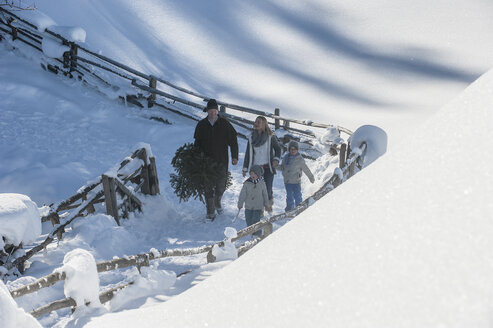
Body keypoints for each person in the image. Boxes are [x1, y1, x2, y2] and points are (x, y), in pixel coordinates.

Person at [194, 98, 239, 220]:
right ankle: (210, 212)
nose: (213, 113)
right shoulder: (201, 125)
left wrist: (235, 156)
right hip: (206, 162)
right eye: (210, 111)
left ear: (217, 111)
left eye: (215, 110)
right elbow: (197, 143)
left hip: (221, 161)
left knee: (221, 185)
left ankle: (217, 200)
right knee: (207, 186)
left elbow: (233, 141)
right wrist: (196, 158)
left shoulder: (224, 124)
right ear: (207, 111)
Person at [242, 116, 282, 210]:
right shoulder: (251, 137)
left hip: (268, 167)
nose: (255, 123)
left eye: (258, 122)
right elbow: (248, 154)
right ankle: (260, 209)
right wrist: (245, 168)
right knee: (258, 190)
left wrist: (276, 159)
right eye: (255, 121)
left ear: (264, 124)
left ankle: (269, 200)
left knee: (267, 189)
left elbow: (278, 148)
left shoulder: (270, 137)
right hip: (256, 169)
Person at [277, 140, 315, 212]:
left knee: (298, 196)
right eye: (291, 149)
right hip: (288, 182)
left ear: (297, 150)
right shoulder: (285, 158)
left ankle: (299, 209)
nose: (293, 150)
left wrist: (311, 177)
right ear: (289, 150)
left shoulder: (300, 159)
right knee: (289, 197)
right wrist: (275, 166)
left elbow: (306, 169)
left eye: (295, 149)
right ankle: (289, 210)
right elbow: (282, 167)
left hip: (296, 182)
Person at [237, 165, 270, 237]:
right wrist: (240, 204)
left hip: (258, 207)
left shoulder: (262, 183)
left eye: (254, 174)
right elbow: (242, 194)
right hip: (248, 206)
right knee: (248, 221)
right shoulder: (246, 183)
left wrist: (267, 204)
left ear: (258, 174)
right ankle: (252, 234)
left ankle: (257, 235)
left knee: (256, 221)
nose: (252, 175)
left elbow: (265, 194)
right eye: (251, 173)